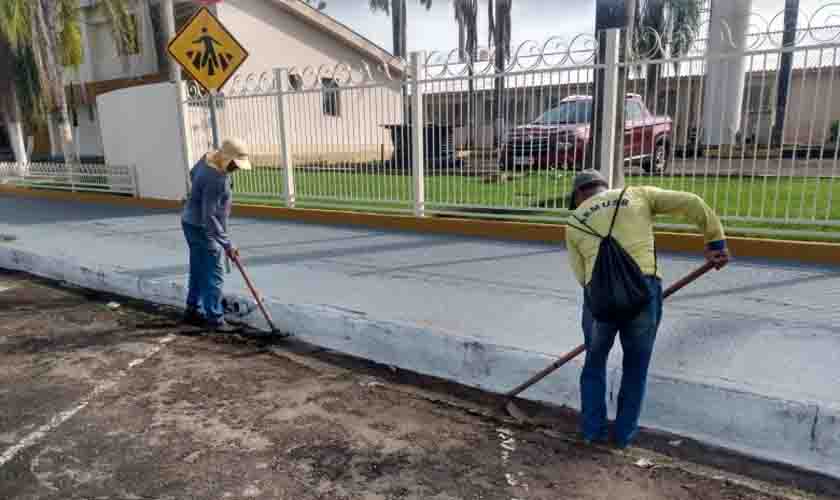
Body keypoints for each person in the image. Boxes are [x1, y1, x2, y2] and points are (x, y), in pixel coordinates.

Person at [565, 170, 730, 448]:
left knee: (594, 365)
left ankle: (593, 432)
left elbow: (582, 276)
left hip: (600, 300)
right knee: (635, 367)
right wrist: (716, 243)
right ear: (605, 186)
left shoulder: (575, 221)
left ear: (579, 195)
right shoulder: (636, 194)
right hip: (643, 290)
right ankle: (623, 438)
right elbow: (692, 203)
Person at [181, 137, 252, 332]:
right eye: (235, 164)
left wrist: (196, 194)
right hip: (203, 227)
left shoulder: (208, 157)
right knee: (214, 271)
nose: (236, 169)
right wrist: (227, 244)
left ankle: (192, 309)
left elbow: (192, 173)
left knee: (198, 267)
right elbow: (209, 217)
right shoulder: (217, 180)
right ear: (227, 158)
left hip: (189, 221)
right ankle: (215, 318)